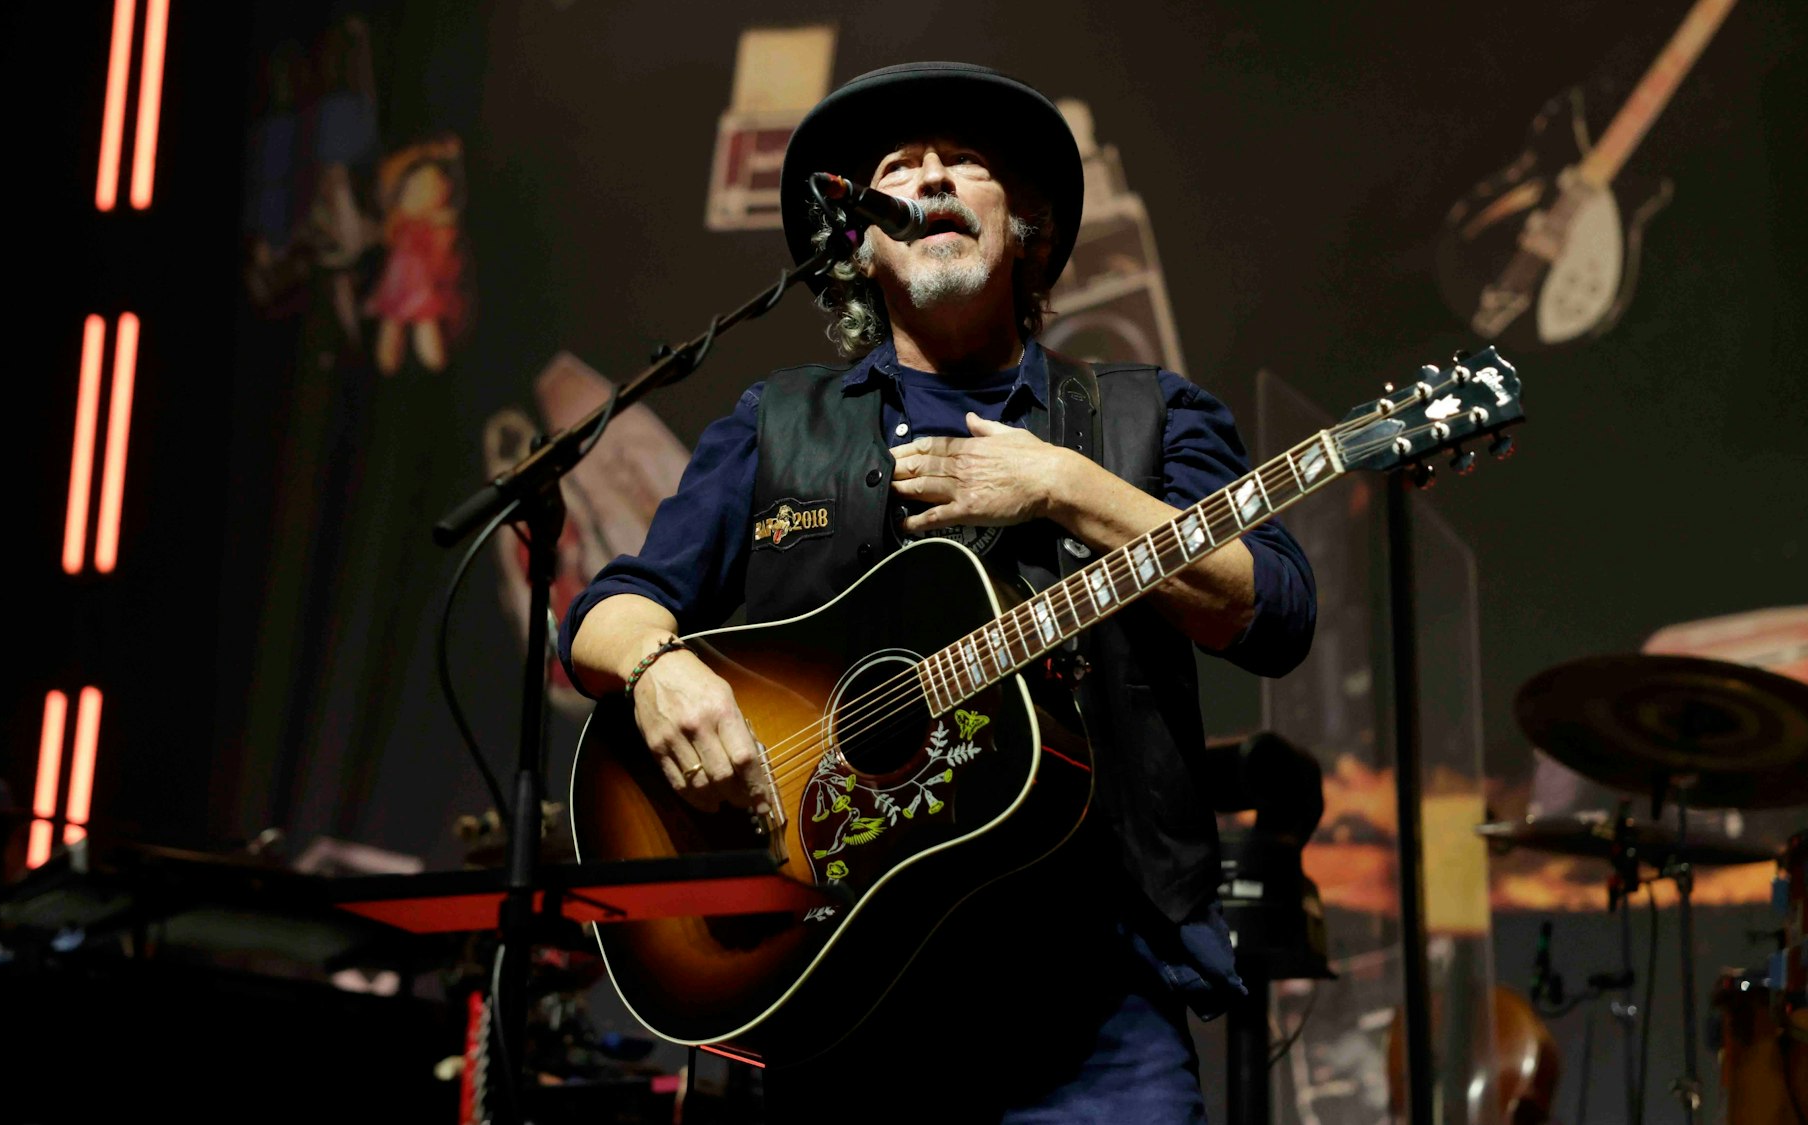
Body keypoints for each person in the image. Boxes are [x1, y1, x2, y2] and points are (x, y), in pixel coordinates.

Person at [559, 62, 1315, 1122]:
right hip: (831, 989)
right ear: (860, 242)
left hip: (1091, 1011)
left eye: (964, 162)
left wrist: (1061, 484)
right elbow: (609, 611)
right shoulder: (774, 425)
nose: (931, 177)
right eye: (897, 169)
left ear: (1030, 229)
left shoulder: (1147, 419)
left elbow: (1272, 607)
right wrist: (655, 669)